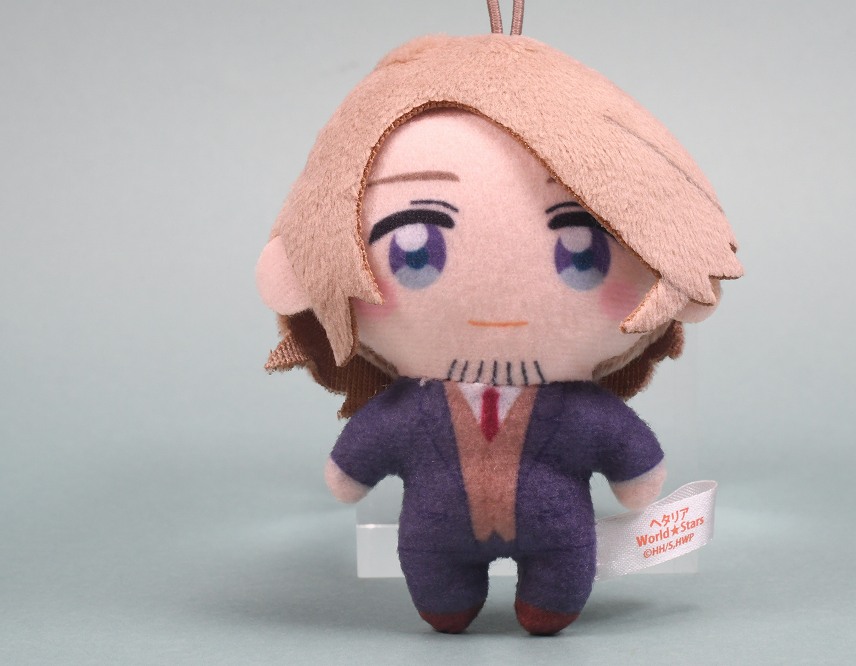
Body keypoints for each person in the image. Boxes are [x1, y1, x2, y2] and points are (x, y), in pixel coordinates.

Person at [256, 30, 741, 635]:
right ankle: (447, 603)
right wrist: (351, 470)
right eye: (415, 248)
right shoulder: (414, 409)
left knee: (557, 583)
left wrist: (637, 476)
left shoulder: (575, 411)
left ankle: (550, 605)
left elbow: (625, 449)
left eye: (582, 252)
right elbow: (367, 448)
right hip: (436, 538)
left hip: (559, 536)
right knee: (439, 591)